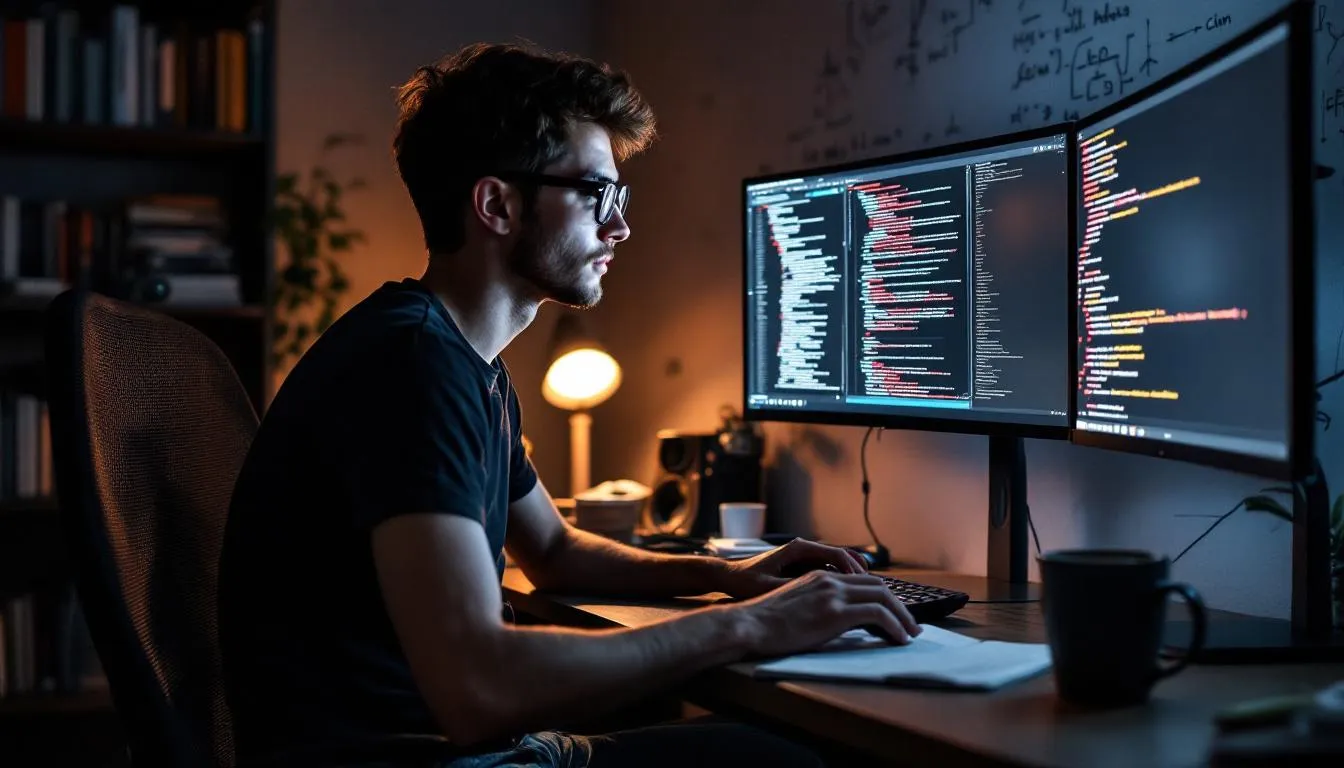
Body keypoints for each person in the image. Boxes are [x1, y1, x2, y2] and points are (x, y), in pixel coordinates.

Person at [217, 41, 920, 768]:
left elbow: (553, 551)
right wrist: (747, 626)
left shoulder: (465, 363)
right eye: (595, 194)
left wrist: (729, 576)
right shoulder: (414, 368)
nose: (618, 227)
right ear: (496, 204)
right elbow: (476, 688)